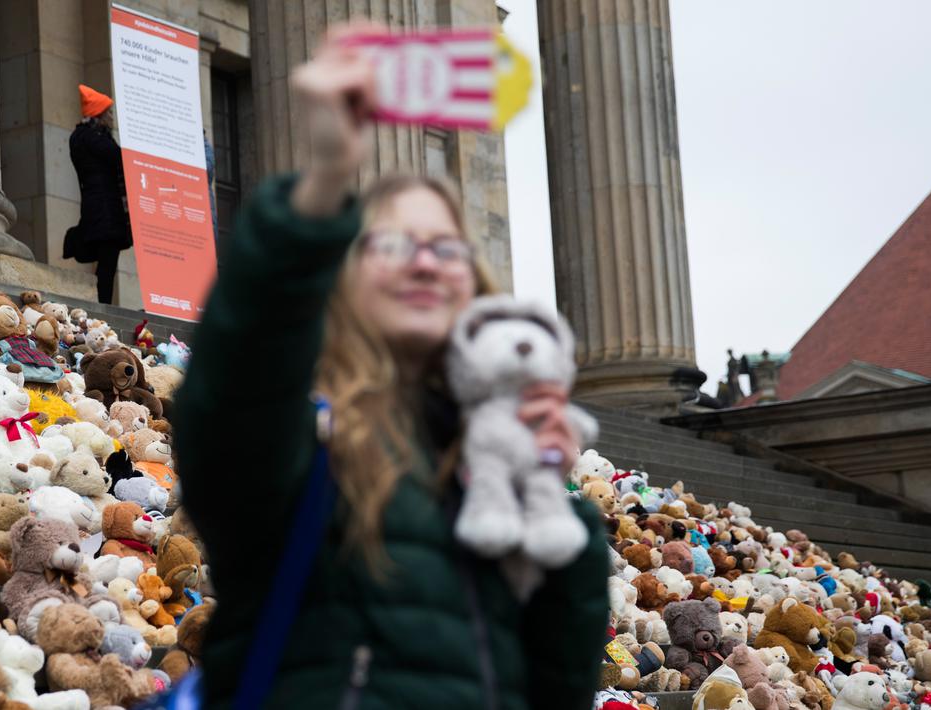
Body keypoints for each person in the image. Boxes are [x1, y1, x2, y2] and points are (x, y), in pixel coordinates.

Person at [173, 25, 608, 710]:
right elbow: (237, 386)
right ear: (341, 272)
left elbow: (559, 683)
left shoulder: (500, 459)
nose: (425, 261)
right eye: (394, 243)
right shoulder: (302, 433)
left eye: (446, 247)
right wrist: (325, 181)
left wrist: (563, 520)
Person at [63, 84, 131, 305]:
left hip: (98, 206)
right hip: (105, 208)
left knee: (106, 257)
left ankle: (104, 301)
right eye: (109, 112)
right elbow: (117, 156)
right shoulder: (93, 137)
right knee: (107, 258)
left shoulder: (83, 137)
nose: (112, 117)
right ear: (99, 114)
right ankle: (104, 304)